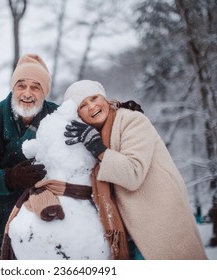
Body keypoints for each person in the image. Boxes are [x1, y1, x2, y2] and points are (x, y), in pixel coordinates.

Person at [0, 54, 144, 260]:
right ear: (13, 88)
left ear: (44, 92)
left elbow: (89, 123)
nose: (27, 93)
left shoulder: (56, 116)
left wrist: (117, 113)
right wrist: (9, 178)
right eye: (21, 86)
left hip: (39, 218)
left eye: (36, 87)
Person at [63, 80, 208, 260]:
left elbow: (133, 174)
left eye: (94, 98)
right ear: (78, 115)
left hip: (159, 222)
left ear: (105, 98)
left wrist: (98, 148)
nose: (92, 106)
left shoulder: (132, 121)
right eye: (83, 105)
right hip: (131, 229)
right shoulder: (90, 136)